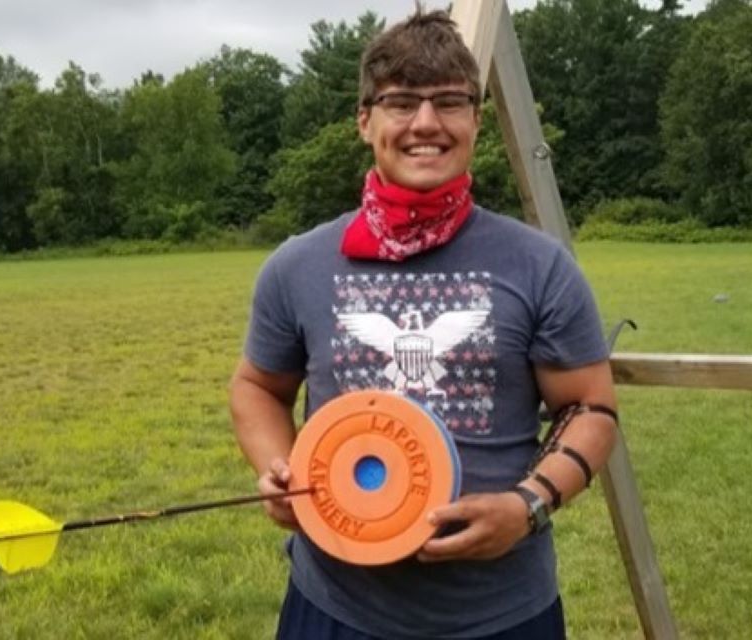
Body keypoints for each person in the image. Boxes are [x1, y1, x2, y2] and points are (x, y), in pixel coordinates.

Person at [230, 8, 617, 639]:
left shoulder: (539, 264)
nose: (426, 124)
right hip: (335, 608)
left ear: (476, 121)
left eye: (449, 103)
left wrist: (528, 506)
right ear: (365, 121)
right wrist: (281, 469)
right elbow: (256, 387)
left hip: (502, 614)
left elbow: (592, 408)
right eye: (401, 102)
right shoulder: (295, 266)